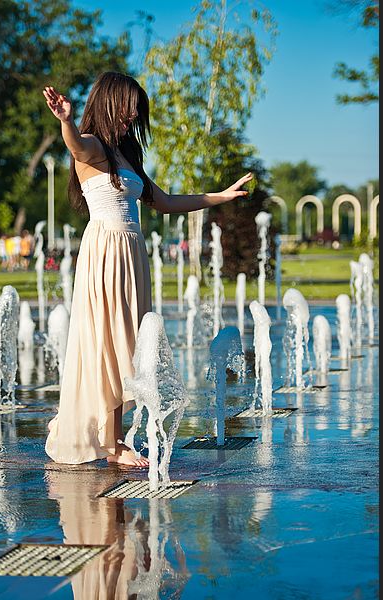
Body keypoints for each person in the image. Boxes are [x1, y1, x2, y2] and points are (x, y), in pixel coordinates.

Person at [42, 72, 252, 466]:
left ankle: (98, 431)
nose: (132, 118)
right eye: (127, 110)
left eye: (135, 113)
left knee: (131, 342)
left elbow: (166, 202)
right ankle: (113, 443)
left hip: (132, 254)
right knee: (111, 341)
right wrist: (66, 122)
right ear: (108, 104)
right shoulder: (95, 148)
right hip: (106, 252)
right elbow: (76, 146)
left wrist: (221, 195)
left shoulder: (126, 154)